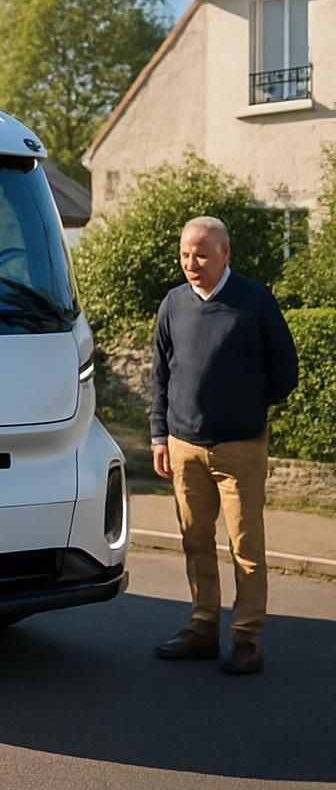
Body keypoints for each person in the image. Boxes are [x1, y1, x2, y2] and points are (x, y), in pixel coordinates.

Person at [150, 216, 298, 675]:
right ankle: (202, 627)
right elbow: (160, 375)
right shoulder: (173, 303)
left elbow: (285, 371)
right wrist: (159, 436)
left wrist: (247, 406)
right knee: (195, 542)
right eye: (184, 255)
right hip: (183, 445)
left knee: (246, 548)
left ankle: (247, 637)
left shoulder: (255, 301)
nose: (191, 264)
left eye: (200, 255)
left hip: (241, 448)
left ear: (225, 253)